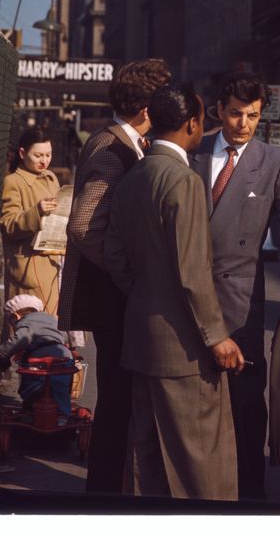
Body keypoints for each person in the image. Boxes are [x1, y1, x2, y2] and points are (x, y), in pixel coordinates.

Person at [104, 81, 244, 501]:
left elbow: (115, 255)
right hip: (184, 348)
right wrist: (216, 337)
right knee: (202, 466)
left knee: (145, 464)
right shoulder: (183, 180)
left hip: (142, 336)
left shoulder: (134, 176)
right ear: (192, 123)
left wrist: (149, 290)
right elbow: (193, 271)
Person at [190, 71, 280, 499]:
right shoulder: (193, 152)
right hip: (187, 290)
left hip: (241, 295)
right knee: (193, 394)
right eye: (234, 114)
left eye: (252, 115)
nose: (243, 124)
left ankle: (250, 491)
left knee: (245, 398)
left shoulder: (276, 162)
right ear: (217, 111)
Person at [57, 57, 172, 494]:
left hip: (114, 298)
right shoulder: (112, 149)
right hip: (111, 300)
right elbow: (84, 225)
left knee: (120, 402)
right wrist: (128, 274)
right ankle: (103, 497)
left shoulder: (124, 142)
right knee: (116, 404)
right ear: (145, 108)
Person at [0, 134, 62, 315]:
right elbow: (8, 224)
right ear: (22, 153)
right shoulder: (13, 182)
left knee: (50, 325)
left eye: (48, 155)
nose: (44, 161)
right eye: (38, 155)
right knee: (27, 326)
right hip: (28, 265)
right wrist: (36, 212)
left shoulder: (50, 177)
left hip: (52, 261)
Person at [0, 293, 74, 417]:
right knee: (60, 389)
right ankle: (63, 415)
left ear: (16, 316)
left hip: (40, 360)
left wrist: (2, 356)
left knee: (31, 387)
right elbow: (63, 336)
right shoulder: (51, 319)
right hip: (64, 357)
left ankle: (30, 412)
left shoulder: (26, 323)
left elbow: (20, 340)